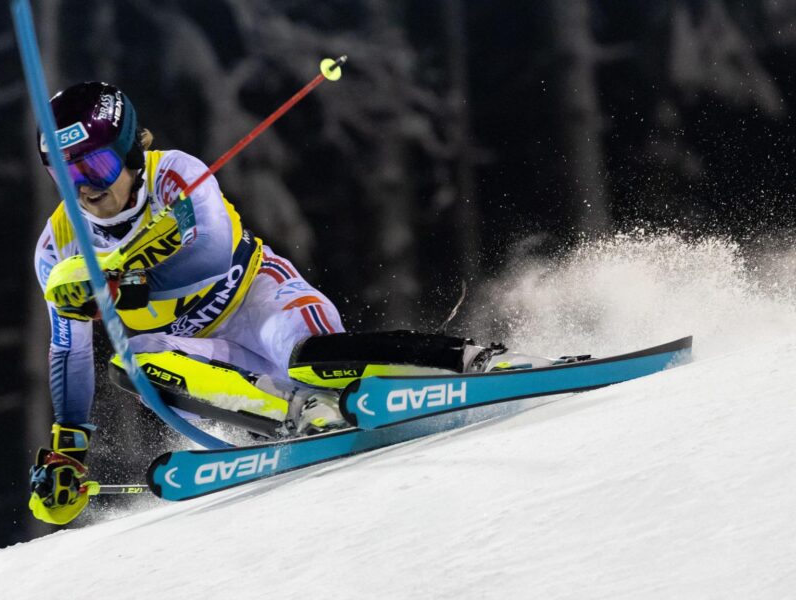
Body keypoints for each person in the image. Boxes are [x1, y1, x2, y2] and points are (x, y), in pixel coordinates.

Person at [27, 82, 554, 525]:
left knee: (306, 358)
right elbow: (68, 349)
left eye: (93, 168)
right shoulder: (58, 249)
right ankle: (297, 417)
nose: (84, 191)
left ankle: (475, 361)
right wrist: (66, 450)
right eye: (64, 175)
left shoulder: (175, 176)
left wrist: (120, 277)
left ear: (128, 152)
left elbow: (207, 253)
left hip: (263, 302)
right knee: (133, 365)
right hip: (214, 353)